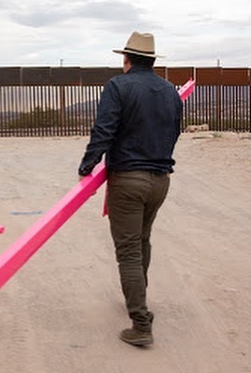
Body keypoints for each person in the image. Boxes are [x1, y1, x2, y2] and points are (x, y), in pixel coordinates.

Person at [78, 31, 183, 347]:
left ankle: (140, 323)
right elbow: (174, 131)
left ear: (127, 59)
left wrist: (87, 165)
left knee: (128, 251)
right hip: (160, 179)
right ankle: (137, 298)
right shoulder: (169, 91)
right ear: (151, 60)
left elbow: (104, 130)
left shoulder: (118, 86)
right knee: (142, 240)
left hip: (128, 179)